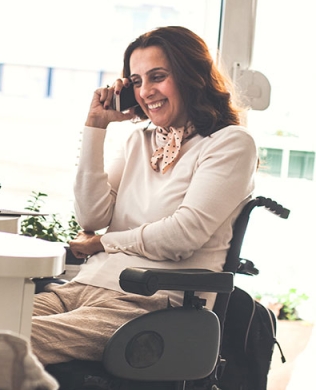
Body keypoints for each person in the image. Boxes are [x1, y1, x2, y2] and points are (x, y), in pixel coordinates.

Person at [31, 26, 258, 365]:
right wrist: (95, 126)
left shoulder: (230, 144)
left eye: (158, 77)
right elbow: (91, 217)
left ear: (191, 76)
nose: (146, 91)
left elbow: (181, 235)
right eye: (136, 81)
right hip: (82, 287)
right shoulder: (139, 140)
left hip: (147, 304)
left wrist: (103, 243)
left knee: (13, 338)